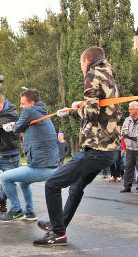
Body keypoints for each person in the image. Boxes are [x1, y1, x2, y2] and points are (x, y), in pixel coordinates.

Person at [33, 46, 121, 247]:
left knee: (52, 184)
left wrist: (73, 111)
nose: (81, 68)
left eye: (81, 64)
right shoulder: (109, 74)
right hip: (110, 149)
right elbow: (101, 108)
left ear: (87, 61)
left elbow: (91, 114)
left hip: (97, 149)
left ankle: (58, 233)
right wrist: (80, 105)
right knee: (76, 187)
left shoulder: (91, 74)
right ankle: (59, 223)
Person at [0, 89, 59, 222]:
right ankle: (30, 212)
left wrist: (11, 126)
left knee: (4, 178)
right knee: (24, 183)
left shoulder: (30, 111)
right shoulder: (40, 112)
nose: (21, 106)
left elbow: (19, 127)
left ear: (31, 103)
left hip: (41, 168)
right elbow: (22, 125)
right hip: (51, 166)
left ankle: (16, 211)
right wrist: (16, 125)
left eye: (23, 103)